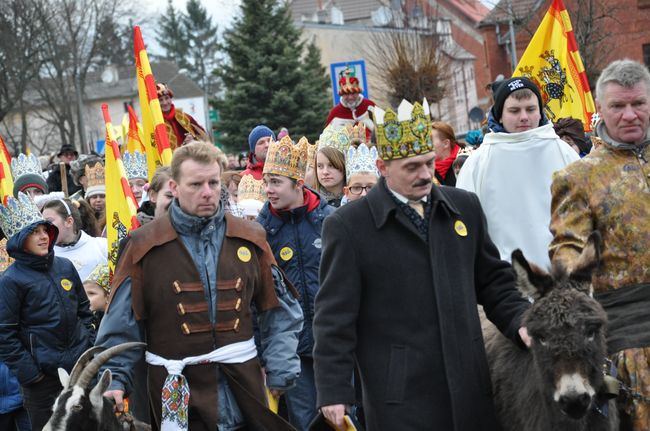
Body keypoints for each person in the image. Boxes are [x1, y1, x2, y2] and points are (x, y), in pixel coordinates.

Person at [312, 99, 530, 430]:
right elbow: (334, 317)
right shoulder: (349, 227)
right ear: (383, 168)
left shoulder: (464, 208)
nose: (426, 174)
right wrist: (333, 389)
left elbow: (493, 281)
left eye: (429, 163)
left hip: (468, 386)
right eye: (412, 167)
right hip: (400, 395)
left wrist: (522, 322)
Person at [96, 142, 302, 430]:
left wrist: (281, 366)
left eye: (213, 182)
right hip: (175, 392)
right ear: (174, 186)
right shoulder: (142, 246)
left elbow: (278, 310)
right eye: (195, 184)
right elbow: (120, 325)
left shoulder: (250, 237)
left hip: (244, 389)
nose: (207, 192)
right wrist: (115, 379)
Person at [548, 59, 650, 430]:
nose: (629, 115)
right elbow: (566, 245)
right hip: (630, 334)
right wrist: (573, 271)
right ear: (600, 110)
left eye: (638, 103)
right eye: (618, 106)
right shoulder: (578, 177)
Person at [456, 76, 579, 268]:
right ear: (499, 115)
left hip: (564, 275)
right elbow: (466, 225)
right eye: (514, 110)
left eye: (530, 109)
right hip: (506, 282)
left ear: (540, 112)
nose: (524, 117)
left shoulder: (564, 153)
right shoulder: (478, 163)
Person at [258, 135, 335, 430]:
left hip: (333, 345)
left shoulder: (331, 221)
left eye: (276, 182)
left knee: (344, 418)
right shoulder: (261, 232)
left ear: (297, 184)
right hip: (291, 352)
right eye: (266, 181)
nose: (269, 190)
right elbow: (258, 299)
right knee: (304, 422)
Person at [0, 193, 94, 430]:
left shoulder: (65, 267)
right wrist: (32, 375)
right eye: (34, 232)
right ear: (20, 240)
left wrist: (88, 347)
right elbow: (4, 335)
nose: (43, 237)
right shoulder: (10, 281)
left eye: (45, 230)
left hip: (80, 372)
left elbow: (85, 311)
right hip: (43, 382)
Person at [42, 198, 106, 280]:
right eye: (42, 222)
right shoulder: (45, 256)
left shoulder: (101, 247)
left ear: (69, 221)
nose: (44, 227)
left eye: (49, 221)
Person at [325, 66, 375, 137]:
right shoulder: (335, 112)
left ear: (358, 92)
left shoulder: (369, 106)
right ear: (342, 95)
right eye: (346, 94)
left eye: (353, 93)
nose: (350, 97)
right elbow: (327, 137)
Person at [157, 83, 209, 150]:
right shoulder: (155, 122)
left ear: (171, 99)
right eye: (160, 100)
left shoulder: (185, 117)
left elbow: (204, 137)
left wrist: (193, 139)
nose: (165, 102)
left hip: (189, 157)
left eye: (167, 98)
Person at [315, 125, 350, 208]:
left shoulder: (355, 200)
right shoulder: (312, 204)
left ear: (344, 166)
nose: (325, 172)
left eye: (331, 165)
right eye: (320, 166)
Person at [431, 121, 462, 186]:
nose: (427, 146)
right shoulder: (428, 170)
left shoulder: (465, 162)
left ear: (446, 143)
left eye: (430, 141)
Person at [82, 263, 110, 329]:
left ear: (108, 297)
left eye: (91, 293)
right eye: (83, 293)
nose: (85, 298)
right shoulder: (91, 318)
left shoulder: (116, 321)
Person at [83, 162, 106, 234]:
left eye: (102, 196)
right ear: (88, 200)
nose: (98, 200)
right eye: (94, 197)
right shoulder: (83, 218)